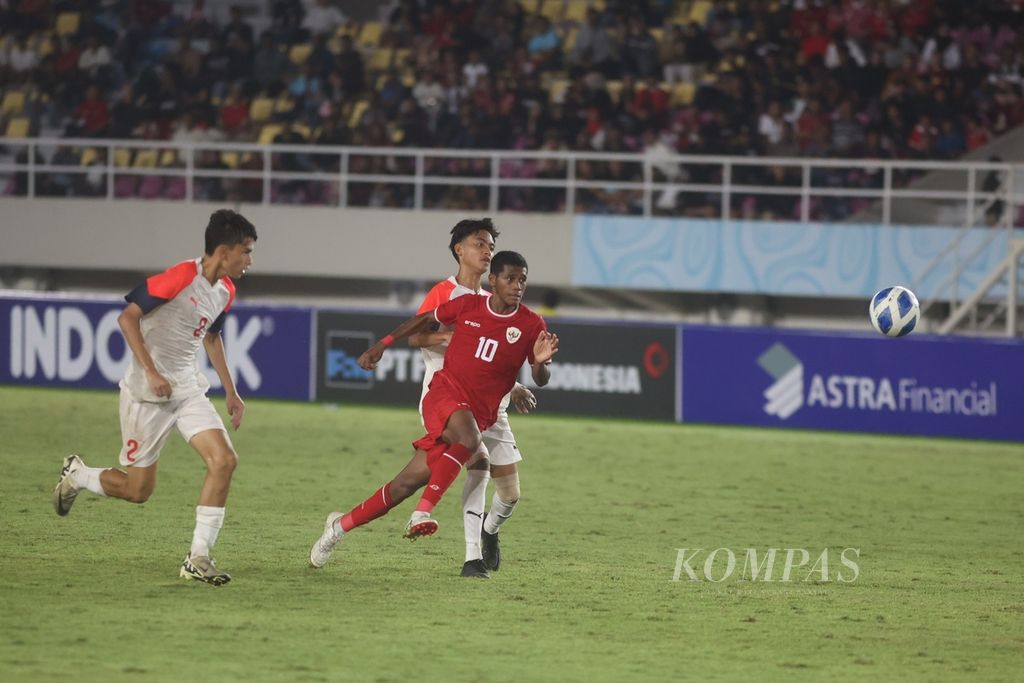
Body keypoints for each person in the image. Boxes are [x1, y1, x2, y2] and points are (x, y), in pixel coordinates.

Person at [309, 251, 559, 571]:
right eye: (510, 278)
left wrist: (540, 363)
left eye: (523, 279)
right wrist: (382, 344)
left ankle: (337, 528)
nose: (518, 285)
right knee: (473, 446)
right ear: (493, 280)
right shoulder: (468, 305)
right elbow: (422, 321)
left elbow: (541, 378)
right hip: (444, 395)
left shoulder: (530, 323)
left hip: (481, 414)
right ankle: (423, 515)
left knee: (403, 485)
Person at [51, 209, 258, 586]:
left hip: (187, 389)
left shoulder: (226, 291)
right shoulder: (180, 277)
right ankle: (78, 475)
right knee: (138, 490)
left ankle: (198, 557)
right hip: (147, 395)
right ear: (224, 251)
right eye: (245, 251)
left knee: (224, 461)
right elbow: (127, 318)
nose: (250, 260)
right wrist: (150, 370)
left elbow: (211, 337)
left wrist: (231, 390)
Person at [408, 218, 538, 579]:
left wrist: (514, 386)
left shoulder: (491, 300)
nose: (487, 250)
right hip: (449, 398)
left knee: (510, 494)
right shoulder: (443, 294)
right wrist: (443, 338)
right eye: (480, 243)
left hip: (491, 405)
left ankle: (489, 531)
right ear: (459, 250)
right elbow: (414, 337)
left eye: (491, 246)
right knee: (476, 460)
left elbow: (492, 359)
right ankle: (471, 559)